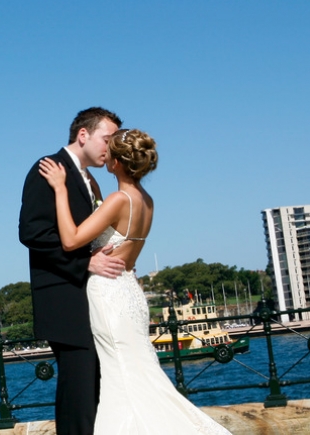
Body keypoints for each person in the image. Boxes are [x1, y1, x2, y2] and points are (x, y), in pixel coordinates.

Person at [37, 129, 231, 434]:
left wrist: (60, 189)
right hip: (130, 291)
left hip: (109, 293)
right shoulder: (147, 200)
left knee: (122, 377)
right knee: (139, 374)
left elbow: (72, 239)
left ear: (115, 162)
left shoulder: (119, 199)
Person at [18, 107, 129, 435]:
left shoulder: (90, 179)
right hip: (63, 298)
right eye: (107, 139)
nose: (110, 148)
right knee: (78, 391)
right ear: (84, 135)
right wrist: (86, 262)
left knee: (93, 385)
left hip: (90, 297)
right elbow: (33, 233)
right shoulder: (48, 169)